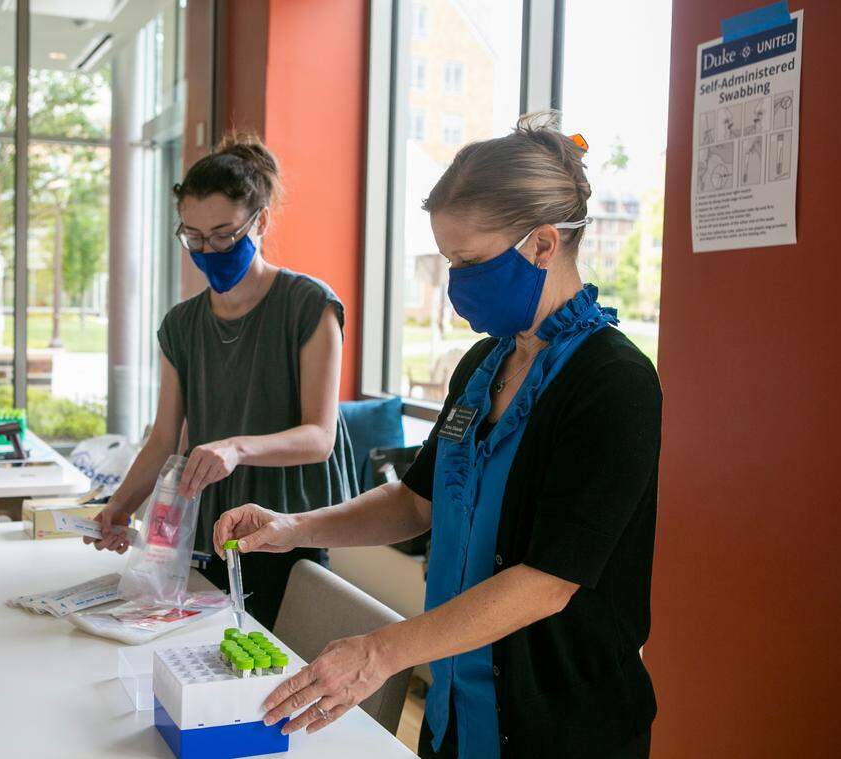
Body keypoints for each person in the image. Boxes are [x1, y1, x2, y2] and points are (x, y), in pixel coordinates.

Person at [213, 114, 661, 758]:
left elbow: (550, 580)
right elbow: (416, 502)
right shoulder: (483, 365)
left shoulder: (613, 383)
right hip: (456, 708)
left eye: (470, 261)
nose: (456, 283)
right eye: (450, 261)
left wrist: (380, 652)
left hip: (561, 726)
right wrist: (293, 528)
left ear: (542, 244)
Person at [88, 132, 359, 629]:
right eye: (193, 237)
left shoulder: (308, 305)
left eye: (223, 235)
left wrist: (235, 448)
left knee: (272, 659)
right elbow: (163, 441)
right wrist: (118, 508)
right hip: (208, 528)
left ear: (261, 222)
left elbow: (319, 438)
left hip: (285, 525)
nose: (208, 250)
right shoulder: (181, 325)